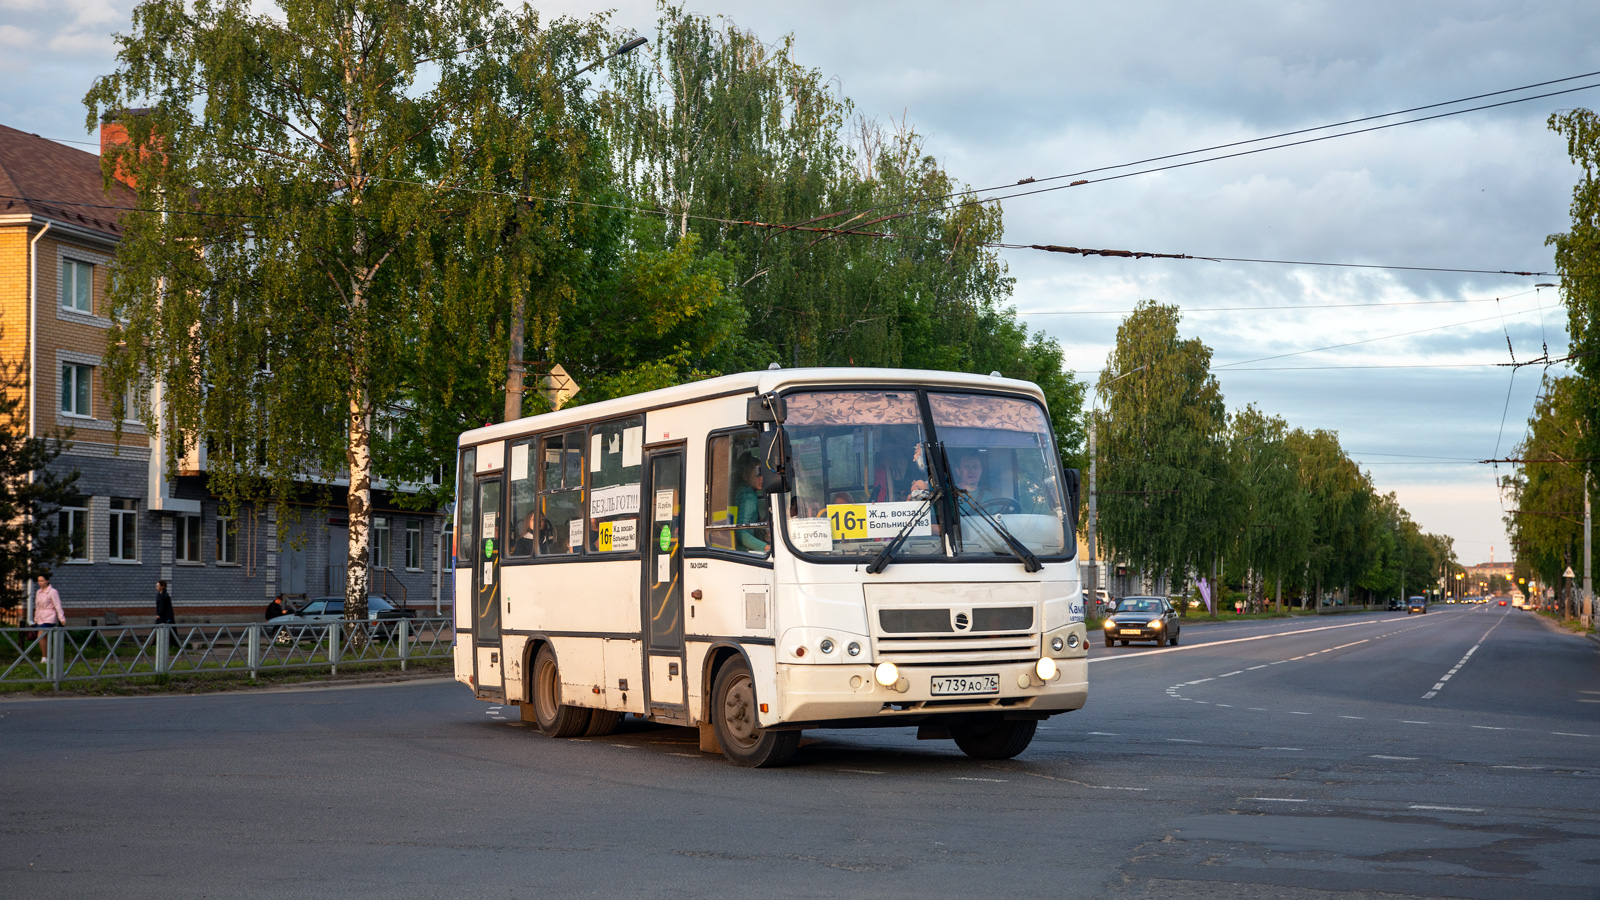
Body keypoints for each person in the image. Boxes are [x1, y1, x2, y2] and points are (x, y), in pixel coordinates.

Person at [732, 456, 771, 554]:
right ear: (745, 475)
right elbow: (741, 532)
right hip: (744, 552)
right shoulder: (748, 497)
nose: (762, 479)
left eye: (763, 474)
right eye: (758, 474)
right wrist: (765, 547)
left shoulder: (740, 491)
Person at [32, 574, 63, 662]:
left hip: (50, 616)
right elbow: (37, 606)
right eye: (39, 581)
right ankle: (48, 657)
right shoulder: (39, 592)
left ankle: (44, 657)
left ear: (47, 581)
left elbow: (57, 605)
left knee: (40, 635)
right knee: (45, 637)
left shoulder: (53, 591)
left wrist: (61, 618)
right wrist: (36, 618)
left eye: (42, 581)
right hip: (41, 616)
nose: (40, 583)